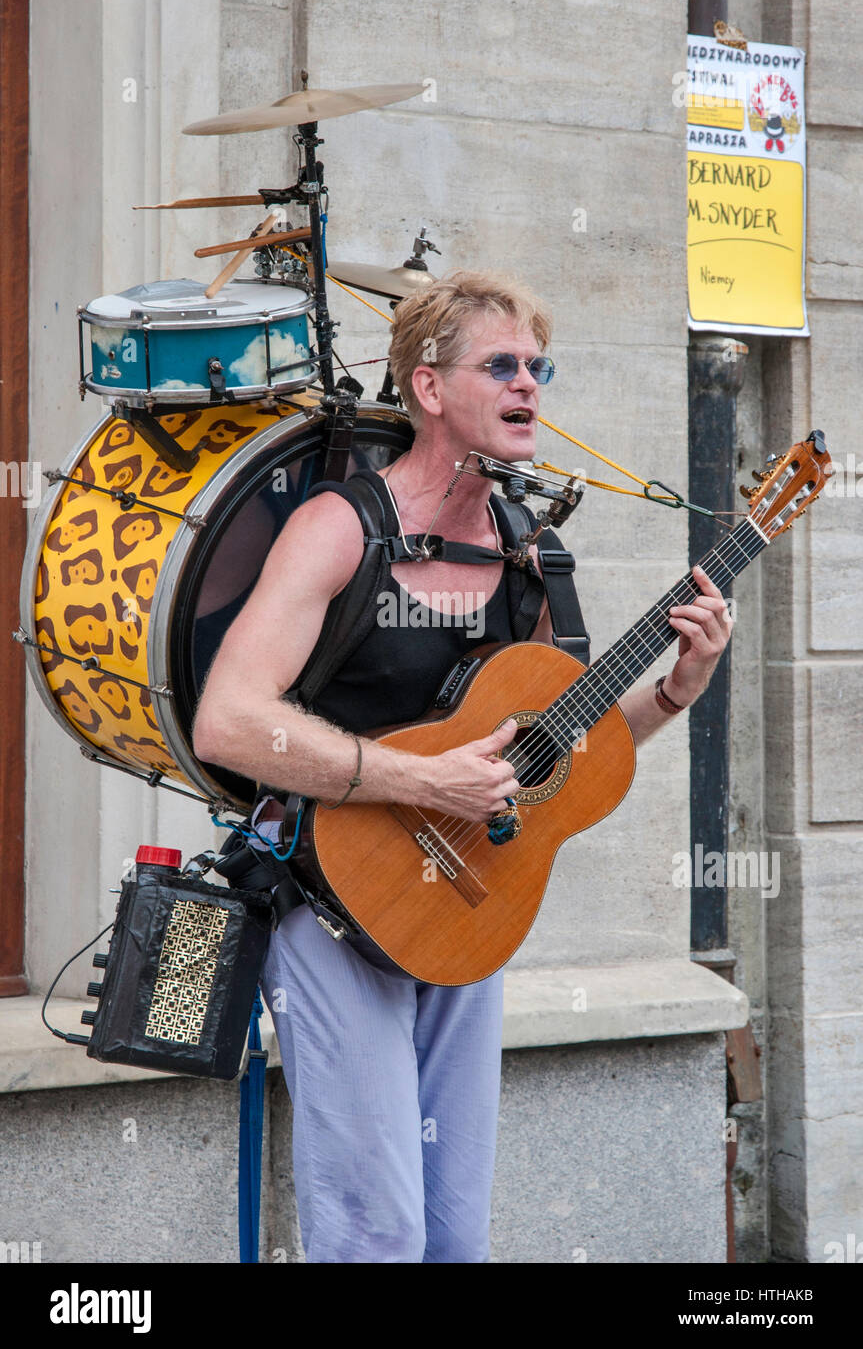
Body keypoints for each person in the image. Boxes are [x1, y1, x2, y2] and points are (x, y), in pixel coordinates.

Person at [192, 269, 733, 1262]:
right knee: (375, 1228)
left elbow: (546, 750)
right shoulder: (340, 528)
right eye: (501, 365)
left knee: (454, 1231)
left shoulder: (531, 555)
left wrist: (669, 694)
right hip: (325, 894)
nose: (528, 385)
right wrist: (419, 780)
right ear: (429, 387)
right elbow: (227, 723)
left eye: (538, 366)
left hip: (461, 901)